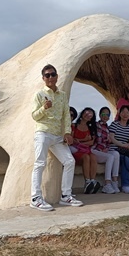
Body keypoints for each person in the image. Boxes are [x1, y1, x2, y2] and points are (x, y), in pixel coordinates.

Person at [30, 64, 83, 211]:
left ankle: (66, 196)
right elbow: (34, 116)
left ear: (57, 76)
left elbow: (66, 115)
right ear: (43, 78)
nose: (50, 77)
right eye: (47, 75)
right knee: (40, 163)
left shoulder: (62, 95)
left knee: (69, 161)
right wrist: (44, 107)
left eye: (53, 74)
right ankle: (35, 198)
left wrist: (67, 132)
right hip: (43, 132)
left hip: (57, 135)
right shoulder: (39, 95)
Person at [109, 105, 129, 193]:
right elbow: (112, 138)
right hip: (115, 149)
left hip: (125, 150)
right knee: (126, 160)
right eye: (123, 112)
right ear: (119, 114)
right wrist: (123, 145)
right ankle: (125, 185)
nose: (125, 114)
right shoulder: (115, 124)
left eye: (127, 112)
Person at [92, 106, 121, 194]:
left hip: (102, 151)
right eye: (103, 114)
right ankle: (107, 184)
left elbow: (107, 143)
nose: (105, 116)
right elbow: (96, 139)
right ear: (100, 115)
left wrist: (106, 148)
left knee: (116, 154)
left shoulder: (107, 128)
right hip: (94, 150)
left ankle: (114, 181)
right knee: (110, 157)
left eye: (107, 115)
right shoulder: (96, 125)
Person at [71, 107, 100, 194]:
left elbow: (91, 142)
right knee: (86, 157)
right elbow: (72, 139)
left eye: (90, 114)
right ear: (82, 113)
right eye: (86, 113)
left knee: (93, 157)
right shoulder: (74, 125)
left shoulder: (90, 128)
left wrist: (80, 141)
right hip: (76, 150)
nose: (88, 115)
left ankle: (92, 181)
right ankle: (87, 181)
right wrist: (84, 140)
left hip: (85, 149)